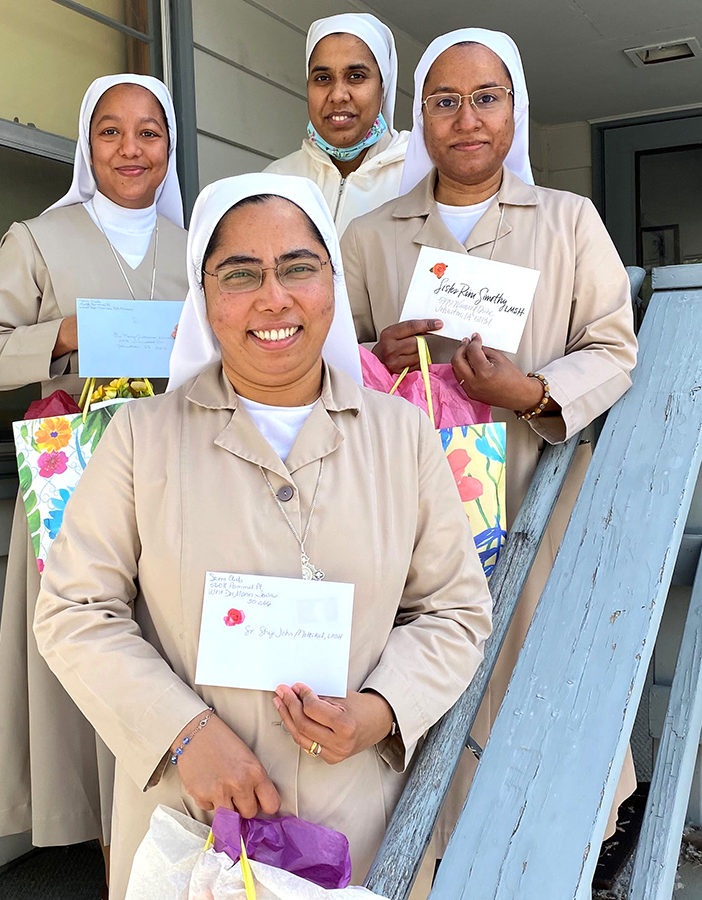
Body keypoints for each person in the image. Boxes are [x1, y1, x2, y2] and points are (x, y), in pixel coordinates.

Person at [32, 172, 493, 900]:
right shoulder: (141, 439)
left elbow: (457, 611)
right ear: (204, 298)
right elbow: (72, 611)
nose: (273, 297)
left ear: (332, 286)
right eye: (240, 274)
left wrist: (380, 709)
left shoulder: (401, 436)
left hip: (359, 825)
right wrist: (183, 732)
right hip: (192, 825)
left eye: (299, 267)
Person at [340, 29, 639, 856]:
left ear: (516, 111)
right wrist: (376, 356)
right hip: (407, 506)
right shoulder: (371, 236)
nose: (466, 119)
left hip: (532, 488)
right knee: (422, 663)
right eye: (444, 102)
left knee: (538, 660)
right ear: (420, 118)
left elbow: (615, 349)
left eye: (486, 98)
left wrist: (533, 392)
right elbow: (334, 367)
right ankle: (434, 850)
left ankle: (562, 841)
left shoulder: (569, 222)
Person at [0, 74, 189, 858]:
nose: (131, 149)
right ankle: (100, 842)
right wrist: (58, 334)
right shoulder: (39, 238)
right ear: (88, 147)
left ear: (170, 147)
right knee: (90, 650)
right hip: (74, 484)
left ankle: (164, 836)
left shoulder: (196, 249)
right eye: (111, 132)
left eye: (149, 133)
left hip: (178, 482)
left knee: (167, 654)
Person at [265, 13, 409, 236]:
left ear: (383, 87)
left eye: (356, 76)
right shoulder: (276, 181)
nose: (338, 95)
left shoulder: (421, 173)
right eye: (323, 78)